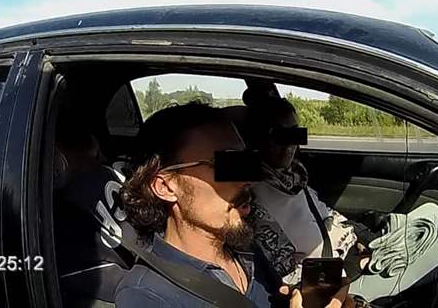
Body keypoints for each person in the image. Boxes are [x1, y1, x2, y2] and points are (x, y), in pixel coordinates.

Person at [116, 103, 355, 308]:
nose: (247, 179)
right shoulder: (146, 296)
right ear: (165, 187)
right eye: (227, 164)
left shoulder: (244, 248)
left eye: (246, 161)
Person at [244, 96, 438, 303]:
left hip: (353, 247)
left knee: (432, 212)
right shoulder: (251, 197)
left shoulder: (291, 175)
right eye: (278, 135)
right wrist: (357, 264)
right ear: (256, 138)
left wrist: (368, 240)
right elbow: (286, 277)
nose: (290, 144)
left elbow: (325, 216)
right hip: (340, 282)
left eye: (294, 133)